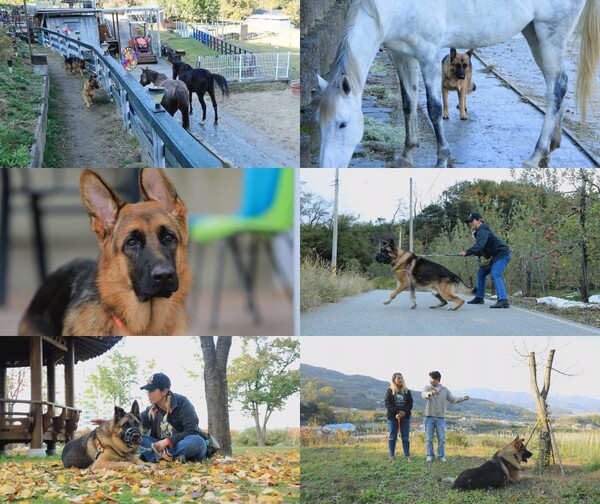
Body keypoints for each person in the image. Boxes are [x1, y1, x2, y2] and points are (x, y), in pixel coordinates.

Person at [139, 373, 207, 463]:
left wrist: (167, 442)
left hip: (181, 444)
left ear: (164, 391)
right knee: (139, 438)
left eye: (152, 390)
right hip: (160, 446)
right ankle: (173, 458)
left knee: (197, 441)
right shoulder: (151, 410)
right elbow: (134, 422)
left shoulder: (182, 403)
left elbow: (192, 430)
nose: (149, 394)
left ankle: (158, 457)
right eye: (148, 391)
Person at [459, 212, 512, 308]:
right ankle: (479, 297)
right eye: (469, 222)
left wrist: (467, 252)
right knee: (481, 272)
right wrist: (474, 253)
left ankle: (503, 300)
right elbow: (483, 248)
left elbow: (480, 245)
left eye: (472, 221)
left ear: (479, 220)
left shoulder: (482, 230)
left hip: (502, 255)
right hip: (495, 256)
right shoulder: (479, 231)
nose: (470, 223)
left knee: (495, 274)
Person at [422, 371, 469, 462]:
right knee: (429, 438)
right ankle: (430, 455)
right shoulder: (427, 387)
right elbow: (423, 395)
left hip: (441, 417)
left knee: (442, 438)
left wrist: (463, 398)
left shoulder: (444, 390)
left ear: (437, 379)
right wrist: (429, 393)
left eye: (431, 379)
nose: (430, 380)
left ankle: (441, 456)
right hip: (429, 417)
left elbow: (452, 399)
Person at [384, 372, 413, 461]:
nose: (400, 380)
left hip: (405, 417)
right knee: (393, 437)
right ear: (394, 380)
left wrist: (404, 412)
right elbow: (388, 404)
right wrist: (397, 411)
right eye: (398, 378)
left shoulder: (407, 391)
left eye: (401, 378)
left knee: (405, 437)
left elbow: (410, 403)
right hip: (393, 417)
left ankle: (407, 455)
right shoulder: (389, 391)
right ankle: (391, 455)